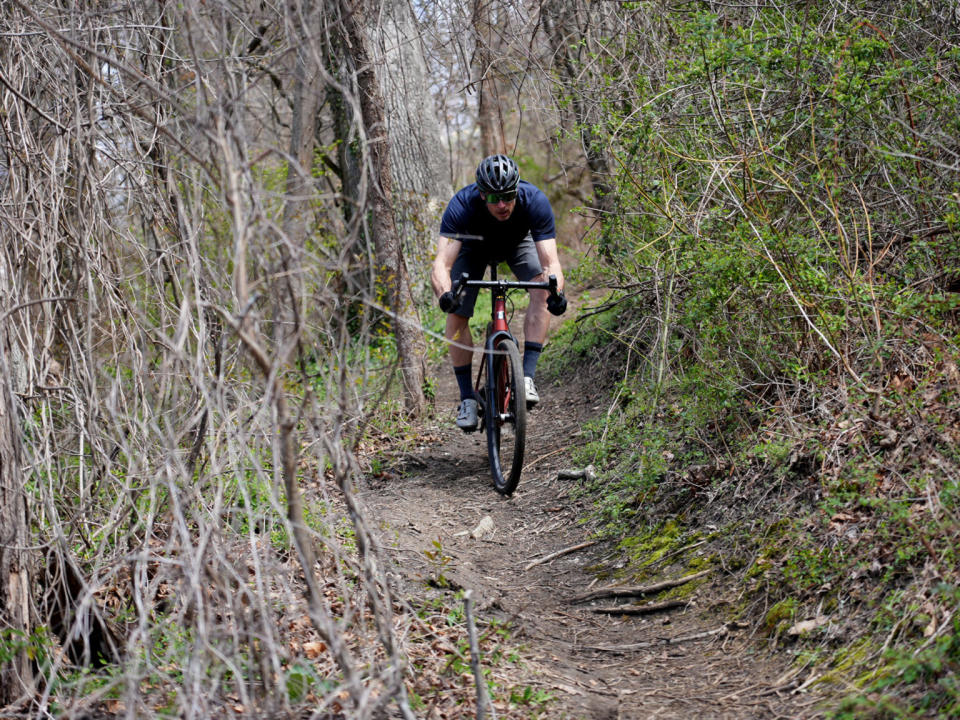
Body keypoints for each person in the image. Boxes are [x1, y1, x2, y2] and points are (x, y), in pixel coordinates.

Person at [431, 154, 566, 431]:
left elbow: (551, 263)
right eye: (494, 198)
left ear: (517, 189)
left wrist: (556, 292)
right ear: (482, 195)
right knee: (457, 312)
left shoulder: (535, 200)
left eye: (508, 195)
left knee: (541, 290)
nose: (502, 204)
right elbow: (441, 265)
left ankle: (526, 376)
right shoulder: (462, 205)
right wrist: (446, 294)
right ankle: (467, 398)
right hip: (472, 247)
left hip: (517, 244)